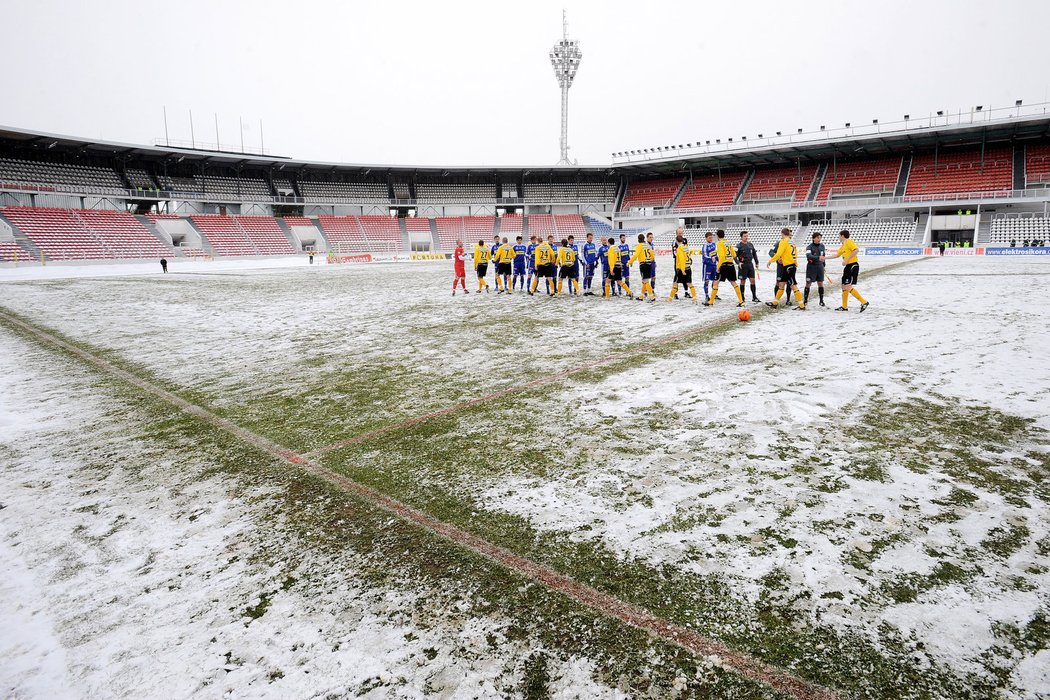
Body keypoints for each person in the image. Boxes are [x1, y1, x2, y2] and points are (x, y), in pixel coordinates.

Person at [827, 229, 868, 312]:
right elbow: (837, 255)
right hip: (847, 267)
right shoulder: (843, 246)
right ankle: (844, 307)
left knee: (847, 286)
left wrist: (846, 260)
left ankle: (864, 302)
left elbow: (856, 250)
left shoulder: (849, 242)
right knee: (843, 286)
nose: (838, 237)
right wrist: (825, 258)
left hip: (853, 265)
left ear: (842, 236)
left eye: (839, 235)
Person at [766, 228, 805, 310]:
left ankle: (802, 305)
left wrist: (770, 261)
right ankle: (775, 303)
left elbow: (778, 253)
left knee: (793, 285)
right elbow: (796, 254)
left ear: (782, 234)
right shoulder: (792, 241)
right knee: (781, 284)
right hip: (790, 265)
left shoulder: (783, 241)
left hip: (788, 266)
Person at [704, 230, 744, 307]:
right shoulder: (728, 242)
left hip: (724, 265)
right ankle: (741, 301)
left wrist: (718, 267)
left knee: (716, 282)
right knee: (733, 283)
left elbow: (721, 257)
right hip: (731, 264)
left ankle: (711, 302)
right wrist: (738, 263)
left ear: (718, 236)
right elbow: (734, 254)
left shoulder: (719, 243)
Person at [627, 233, 656, 301]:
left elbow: (636, 255)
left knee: (645, 281)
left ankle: (652, 296)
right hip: (649, 263)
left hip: (643, 264)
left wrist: (629, 262)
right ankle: (641, 296)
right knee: (644, 281)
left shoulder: (639, 246)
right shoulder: (648, 245)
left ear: (638, 240)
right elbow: (652, 255)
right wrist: (650, 261)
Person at [669, 236, 698, 303]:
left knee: (675, 283)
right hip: (688, 267)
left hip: (682, 269)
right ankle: (695, 298)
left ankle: (670, 299)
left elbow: (682, 260)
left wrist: (682, 270)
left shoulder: (679, 248)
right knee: (689, 283)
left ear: (676, 241)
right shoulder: (686, 247)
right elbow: (690, 258)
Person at [804, 232, 827, 307]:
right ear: (813, 238)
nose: (819, 239)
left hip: (819, 267)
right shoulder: (809, 247)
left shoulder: (822, 246)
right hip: (811, 267)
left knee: (820, 283)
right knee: (808, 283)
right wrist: (818, 257)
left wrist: (823, 266)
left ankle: (821, 300)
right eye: (817, 237)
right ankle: (805, 300)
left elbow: (823, 256)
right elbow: (808, 255)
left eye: (820, 237)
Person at [736, 231, 760, 302]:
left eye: (747, 236)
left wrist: (757, 262)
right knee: (743, 281)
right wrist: (738, 263)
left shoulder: (750, 245)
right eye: (745, 236)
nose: (746, 237)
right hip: (743, 266)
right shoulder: (738, 246)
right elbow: (734, 256)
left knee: (753, 281)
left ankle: (754, 297)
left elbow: (754, 254)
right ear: (741, 237)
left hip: (750, 265)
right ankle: (742, 298)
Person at [700, 231, 718, 302]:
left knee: (715, 281)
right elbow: (704, 256)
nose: (711, 239)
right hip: (707, 266)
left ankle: (714, 294)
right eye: (709, 238)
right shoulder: (705, 246)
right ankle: (706, 296)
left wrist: (717, 258)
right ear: (706, 238)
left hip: (714, 266)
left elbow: (717, 253)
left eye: (711, 237)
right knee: (707, 281)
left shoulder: (714, 244)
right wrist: (711, 258)